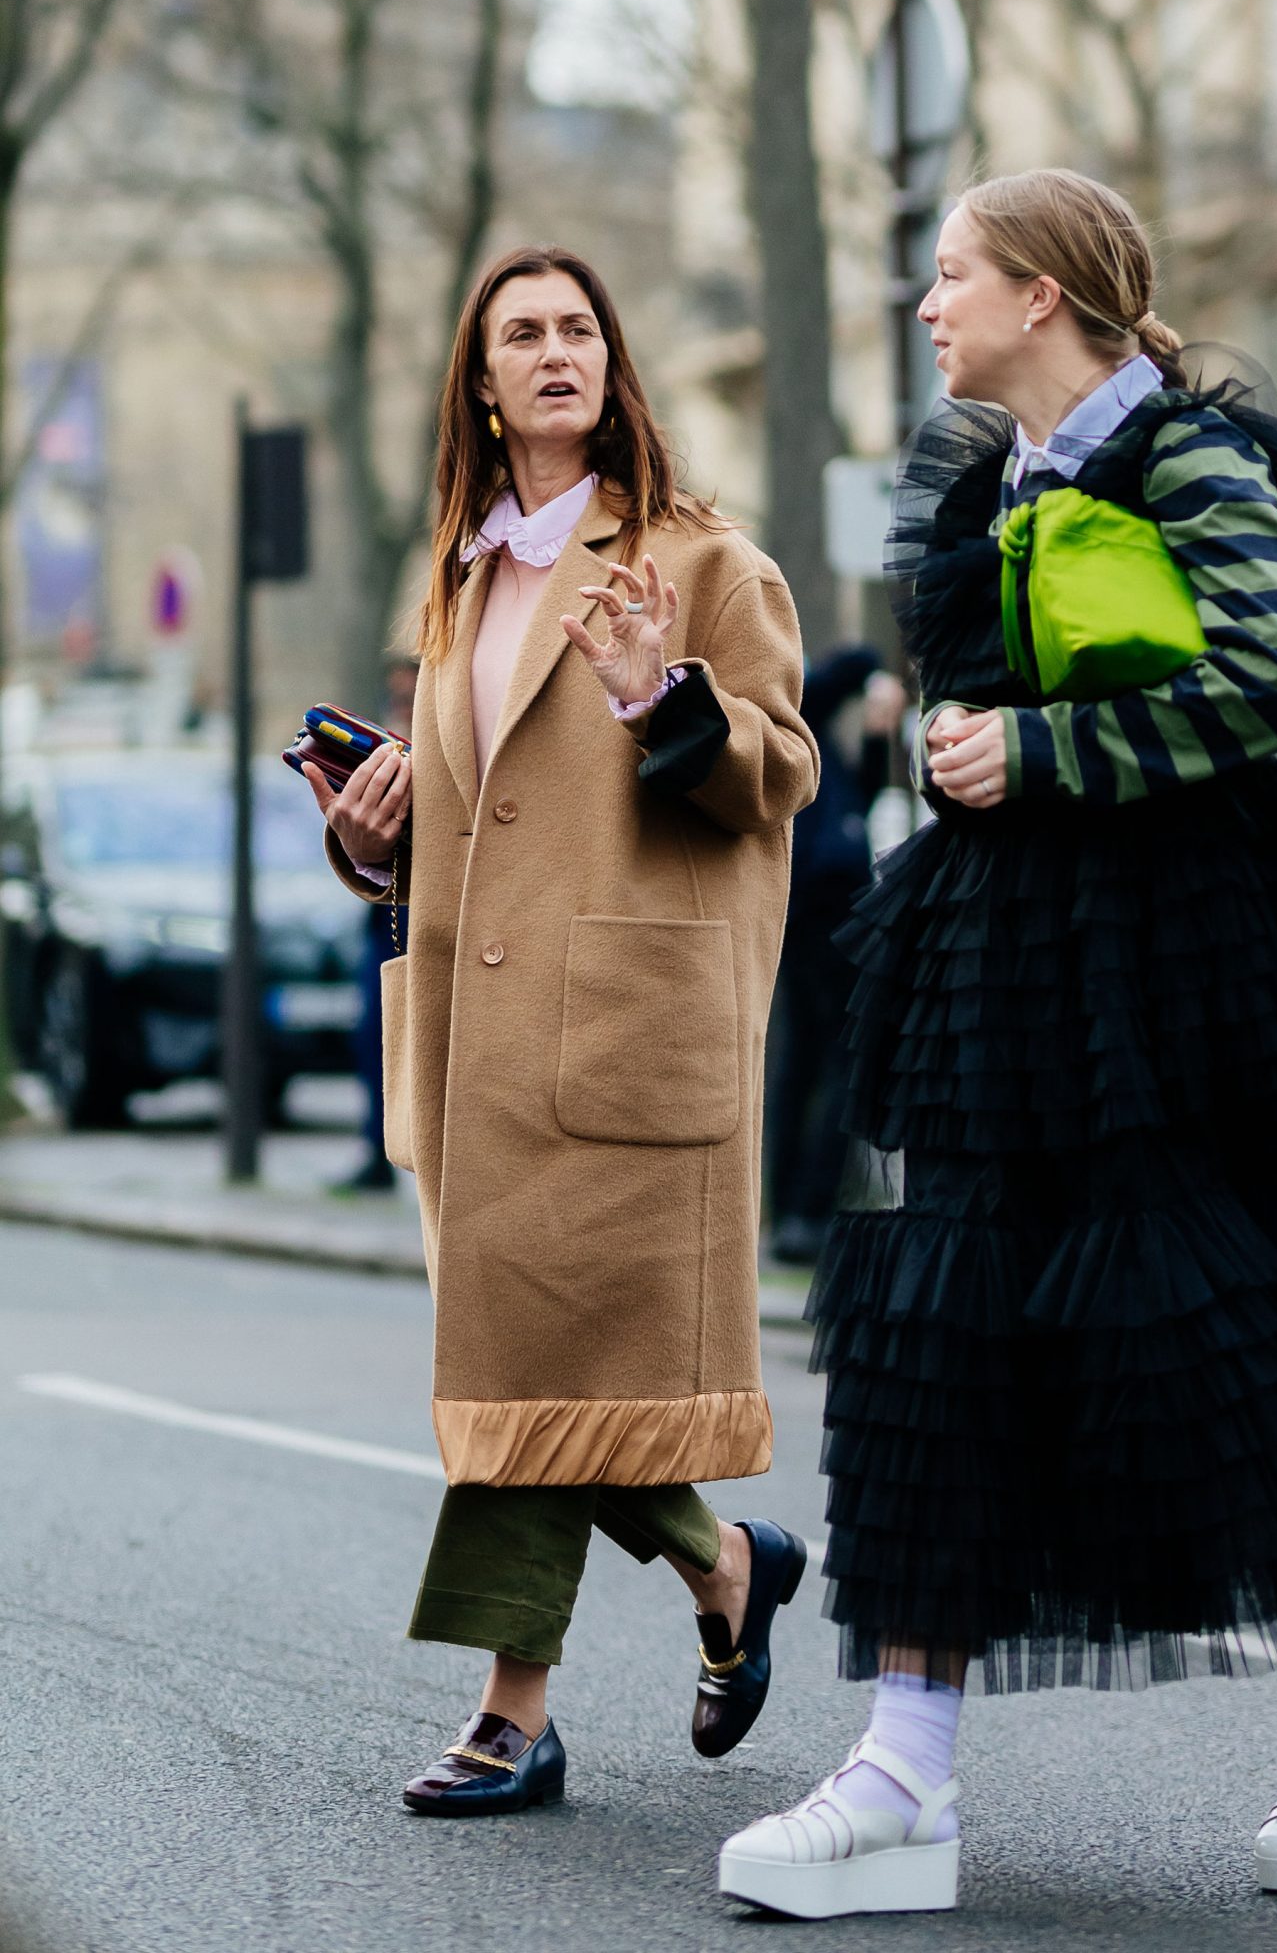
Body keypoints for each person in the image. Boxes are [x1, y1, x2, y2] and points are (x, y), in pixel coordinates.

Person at [718, 171, 1277, 1919]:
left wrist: (1044, 757)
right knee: (952, 1333)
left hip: (1209, 962)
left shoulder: (1188, 456)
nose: (927, 309)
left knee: (1268, 1321)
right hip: (1020, 958)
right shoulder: (989, 476)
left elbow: (1273, 680)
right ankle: (903, 1774)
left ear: (1044, 294)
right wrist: (962, 742)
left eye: (952, 279)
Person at [305, 244, 820, 1816]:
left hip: (619, 1040)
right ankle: (728, 1565)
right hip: (479, 1039)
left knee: (531, 1373)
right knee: (533, 1370)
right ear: (479, 376)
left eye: (577, 328)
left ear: (611, 364)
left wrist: (668, 696)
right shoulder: (466, 574)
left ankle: (511, 1714)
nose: (552, 352)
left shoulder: (698, 557)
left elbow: (780, 771)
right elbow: (475, 812)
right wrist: (372, 837)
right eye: (519, 332)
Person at [766, 645, 906, 1265]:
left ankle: (804, 1210)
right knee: (816, 1061)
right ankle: (800, 1211)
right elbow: (833, 674)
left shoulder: (837, 763)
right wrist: (876, 675)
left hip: (843, 910)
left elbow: (864, 797)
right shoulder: (804, 716)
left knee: (829, 1059)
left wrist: (878, 739)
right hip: (814, 912)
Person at [331, 657, 419, 1198]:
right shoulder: (385, 747)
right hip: (383, 909)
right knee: (376, 1035)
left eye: (408, 693)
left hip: (421, 908)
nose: (401, 702)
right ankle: (376, 1149)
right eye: (395, 695)